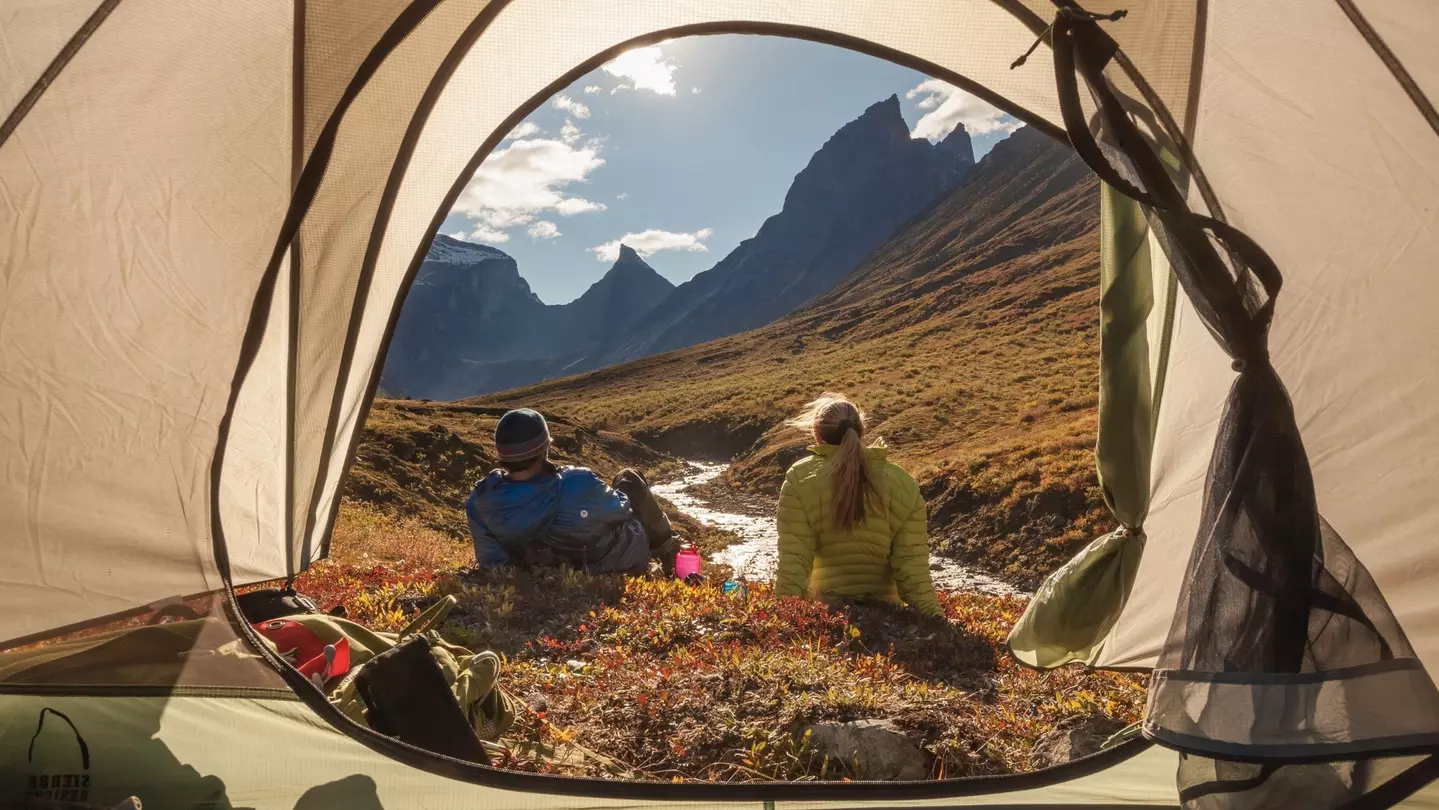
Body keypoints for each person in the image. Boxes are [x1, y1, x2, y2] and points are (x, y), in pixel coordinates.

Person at [775, 393, 942, 616]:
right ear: (862, 430)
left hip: (829, 616)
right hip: (886, 615)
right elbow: (913, 567)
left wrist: (783, 619)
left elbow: (793, 562)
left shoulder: (800, 478)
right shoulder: (901, 482)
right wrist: (936, 619)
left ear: (817, 434)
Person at [466, 408, 679, 575]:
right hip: (618, 562)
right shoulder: (576, 482)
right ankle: (671, 556)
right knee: (630, 478)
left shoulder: (481, 501)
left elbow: (491, 561)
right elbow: (622, 509)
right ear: (544, 449)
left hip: (551, 573)